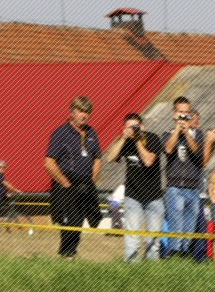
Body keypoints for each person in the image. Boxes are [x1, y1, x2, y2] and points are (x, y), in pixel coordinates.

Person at [44, 96, 103, 259]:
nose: (84, 115)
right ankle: (67, 256)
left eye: (87, 112)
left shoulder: (91, 132)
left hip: (84, 184)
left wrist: (92, 180)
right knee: (68, 222)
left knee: (79, 222)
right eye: (80, 111)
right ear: (72, 112)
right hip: (66, 184)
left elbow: (98, 159)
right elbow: (49, 162)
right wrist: (66, 184)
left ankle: (70, 255)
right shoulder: (61, 133)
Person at [162, 97, 215, 258]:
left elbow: (198, 154)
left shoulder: (197, 134)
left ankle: (184, 258)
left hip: (193, 187)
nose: (184, 116)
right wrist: (177, 130)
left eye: (187, 113)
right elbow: (168, 149)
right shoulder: (167, 134)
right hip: (175, 186)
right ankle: (173, 257)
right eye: (181, 112)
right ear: (174, 113)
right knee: (177, 227)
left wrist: (187, 132)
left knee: (189, 229)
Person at [104, 113, 163, 261]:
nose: (133, 130)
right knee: (132, 239)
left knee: (153, 241)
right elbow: (110, 158)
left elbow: (148, 161)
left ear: (142, 126)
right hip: (133, 196)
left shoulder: (153, 138)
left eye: (135, 126)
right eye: (129, 127)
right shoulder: (126, 142)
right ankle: (132, 268)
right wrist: (123, 138)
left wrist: (137, 140)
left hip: (154, 196)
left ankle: (151, 269)